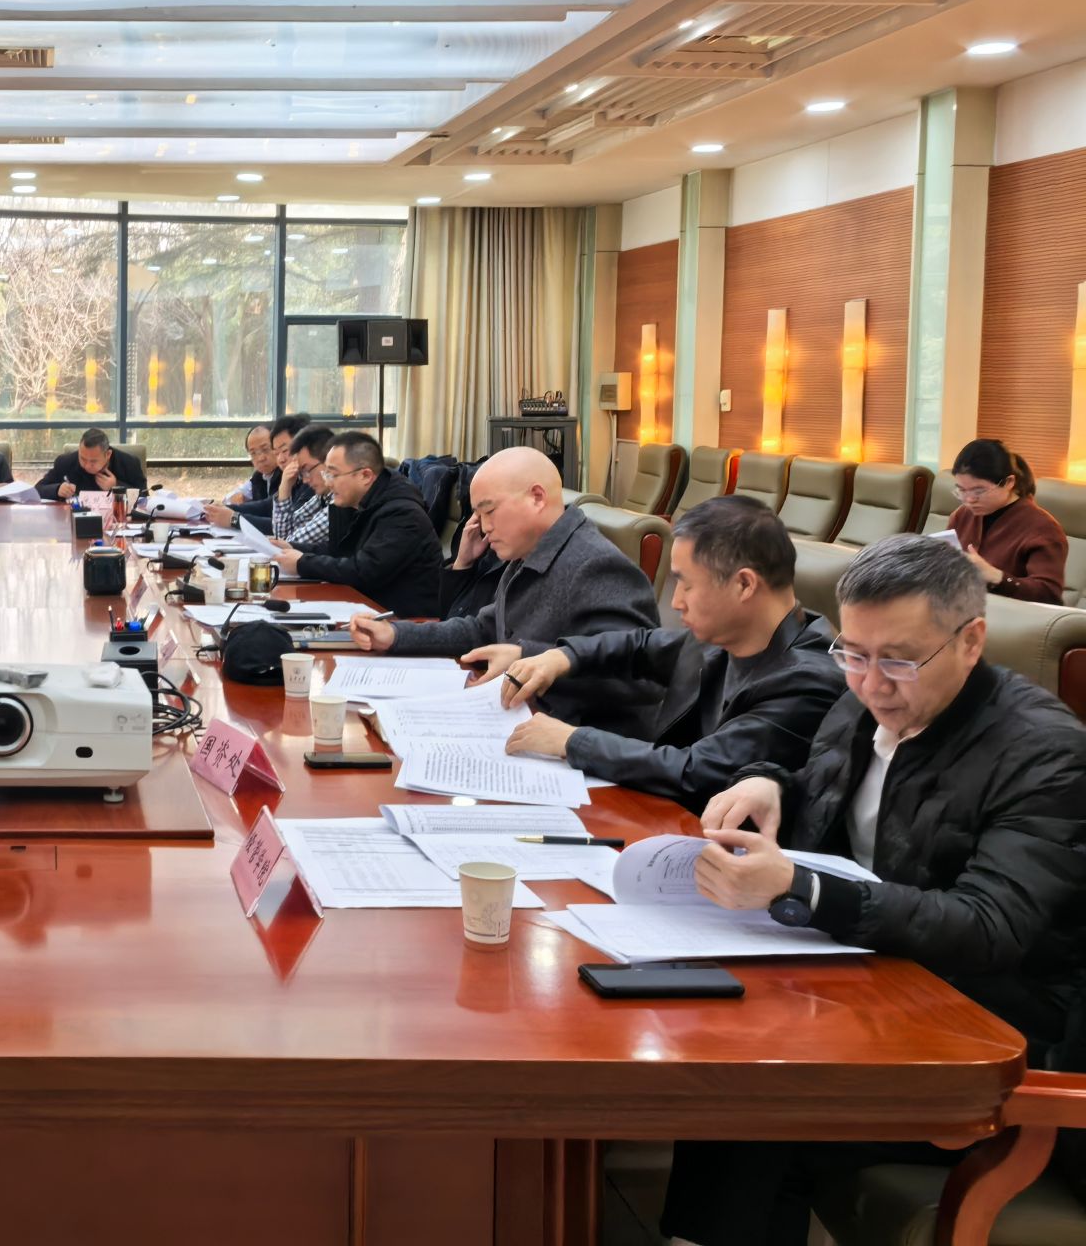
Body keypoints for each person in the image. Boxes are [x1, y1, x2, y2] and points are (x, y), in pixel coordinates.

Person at [662, 534, 1086, 1246]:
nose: (871, 682)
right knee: (715, 1059)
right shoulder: (864, 700)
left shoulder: (1046, 753)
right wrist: (769, 783)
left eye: (898, 659)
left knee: (752, 1101)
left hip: (982, 1036)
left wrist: (805, 889)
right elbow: (829, 795)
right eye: (853, 653)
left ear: (971, 640)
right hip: (869, 986)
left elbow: (990, 926)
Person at [488, 495, 845, 809]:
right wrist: (563, 657)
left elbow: (698, 771)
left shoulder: (806, 682)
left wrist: (572, 741)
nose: (675, 602)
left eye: (686, 584)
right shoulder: (728, 635)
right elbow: (641, 645)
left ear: (744, 584)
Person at [347, 446, 661, 733]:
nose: (484, 528)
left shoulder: (597, 566)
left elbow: (638, 678)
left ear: (537, 498)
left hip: (579, 751)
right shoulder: (528, 553)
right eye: (478, 515)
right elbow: (482, 630)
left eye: (490, 511)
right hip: (522, 723)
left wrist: (527, 659)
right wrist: (396, 635)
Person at [275, 432, 442, 619]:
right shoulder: (355, 502)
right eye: (326, 474)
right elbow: (339, 551)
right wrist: (292, 547)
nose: (328, 483)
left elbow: (365, 570)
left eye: (333, 474)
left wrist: (302, 563)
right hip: (365, 608)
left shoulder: (403, 514)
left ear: (365, 475)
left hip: (405, 622)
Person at [945, 437, 1068, 603]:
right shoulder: (962, 516)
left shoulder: (1042, 527)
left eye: (979, 491)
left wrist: (996, 577)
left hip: (1013, 616)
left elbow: (1049, 594)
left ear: (1009, 482)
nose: (969, 500)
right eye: (962, 491)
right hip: (961, 608)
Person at [207, 414, 309, 526]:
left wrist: (234, 519)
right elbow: (268, 506)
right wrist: (223, 509)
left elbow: (288, 527)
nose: (280, 459)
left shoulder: (310, 483)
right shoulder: (262, 476)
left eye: (284, 450)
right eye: (277, 453)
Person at [36, 428, 147, 501]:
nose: (87, 465)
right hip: (76, 520)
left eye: (93, 461)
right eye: (83, 459)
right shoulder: (65, 462)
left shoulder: (129, 463)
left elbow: (144, 497)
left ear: (108, 454)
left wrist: (116, 487)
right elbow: (38, 489)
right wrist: (57, 489)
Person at [270, 425, 336, 546]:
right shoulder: (323, 496)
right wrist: (284, 489)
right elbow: (283, 536)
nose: (305, 480)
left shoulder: (341, 502)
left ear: (329, 462)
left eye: (306, 470)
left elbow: (288, 544)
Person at [220, 424, 276, 506]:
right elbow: (229, 498)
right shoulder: (258, 477)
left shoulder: (287, 476)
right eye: (253, 453)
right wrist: (236, 497)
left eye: (265, 449)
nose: (260, 458)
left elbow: (270, 507)